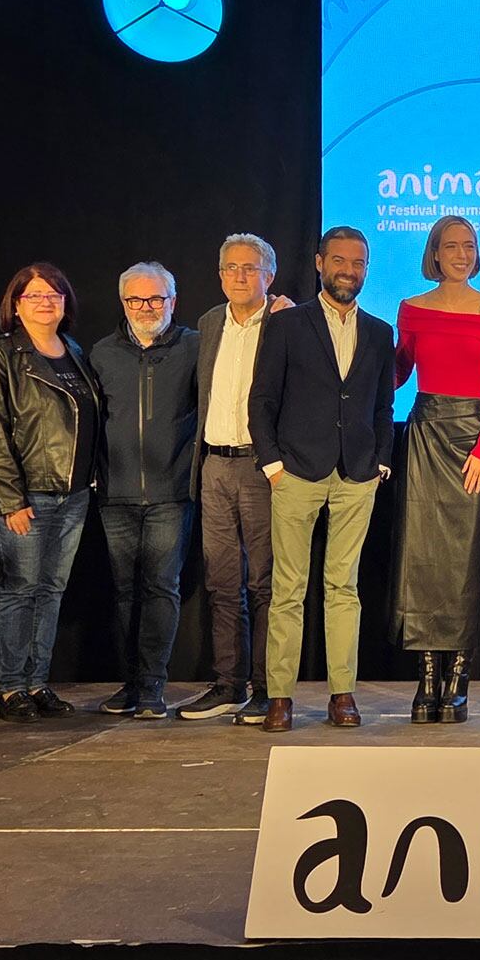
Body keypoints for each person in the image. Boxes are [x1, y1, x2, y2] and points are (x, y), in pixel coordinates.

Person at [248, 225, 396, 733]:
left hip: (357, 475)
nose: (348, 271)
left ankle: (342, 694)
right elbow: (262, 398)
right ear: (318, 263)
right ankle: (280, 698)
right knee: (288, 588)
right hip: (296, 472)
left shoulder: (379, 332)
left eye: (358, 263)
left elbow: (382, 405)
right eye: (339, 261)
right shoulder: (289, 325)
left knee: (344, 587)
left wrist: (380, 463)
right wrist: (271, 464)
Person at [392, 216, 480, 724]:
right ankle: (426, 681)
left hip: (471, 439)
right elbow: (397, 373)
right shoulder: (412, 310)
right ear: (434, 253)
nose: (461, 253)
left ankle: (458, 679)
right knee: (419, 559)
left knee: (462, 562)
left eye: (469, 245)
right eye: (450, 246)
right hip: (423, 434)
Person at [0, 263, 102, 722]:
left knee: (51, 590)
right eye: (35, 295)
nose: (46, 301)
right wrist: (9, 499)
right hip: (25, 495)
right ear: (16, 303)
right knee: (20, 589)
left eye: (54, 294)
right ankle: (10, 688)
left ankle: (37, 682)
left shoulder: (74, 351)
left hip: (73, 495)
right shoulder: (1, 354)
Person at [180, 233, 287, 725]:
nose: (239, 276)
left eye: (250, 268)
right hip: (214, 466)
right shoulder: (207, 323)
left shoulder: (287, 321)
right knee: (222, 582)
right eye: (230, 268)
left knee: (263, 581)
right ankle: (229, 683)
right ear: (219, 274)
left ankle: (269, 687)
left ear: (270, 275)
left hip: (263, 467)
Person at [90, 262, 200, 720]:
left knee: (161, 588)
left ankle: (153, 686)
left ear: (173, 301)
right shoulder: (100, 353)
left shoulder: (197, 346)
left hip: (171, 493)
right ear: (123, 303)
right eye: (136, 300)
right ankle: (130, 683)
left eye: (156, 299)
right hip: (114, 492)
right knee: (122, 592)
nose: (146, 308)